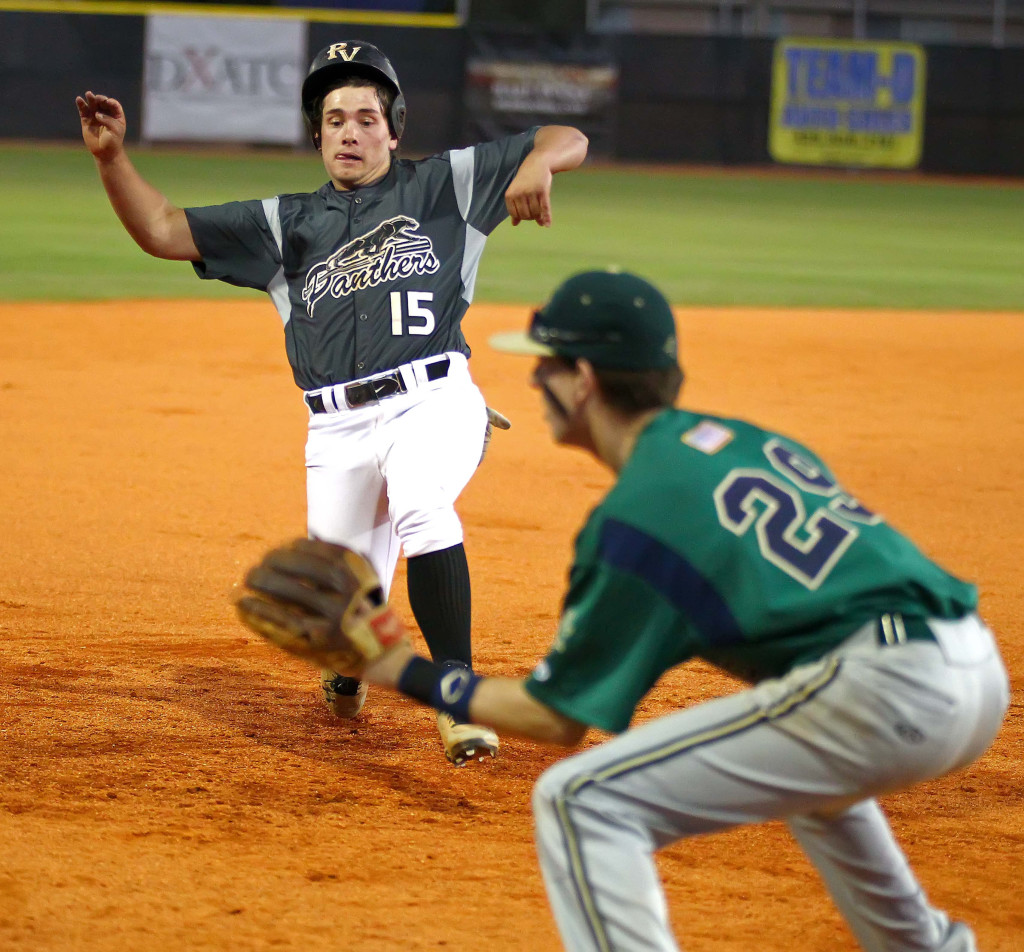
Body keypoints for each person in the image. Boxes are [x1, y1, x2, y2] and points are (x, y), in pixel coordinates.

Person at [270, 269, 1007, 951]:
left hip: (888, 689)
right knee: (815, 786)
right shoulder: (738, 440)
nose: (534, 378)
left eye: (547, 365)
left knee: (581, 799)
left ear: (585, 381)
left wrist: (401, 666)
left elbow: (556, 719)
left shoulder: (638, 515)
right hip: (969, 663)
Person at [76, 40, 589, 766]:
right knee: (345, 592)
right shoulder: (284, 223)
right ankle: (350, 668)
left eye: (367, 118)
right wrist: (110, 160)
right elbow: (162, 230)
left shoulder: (446, 185)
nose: (351, 132)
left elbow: (566, 137)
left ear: (394, 127)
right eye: (335, 119)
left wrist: (538, 160)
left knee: (422, 506)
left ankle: (456, 693)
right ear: (318, 134)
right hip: (337, 428)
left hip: (433, 401)